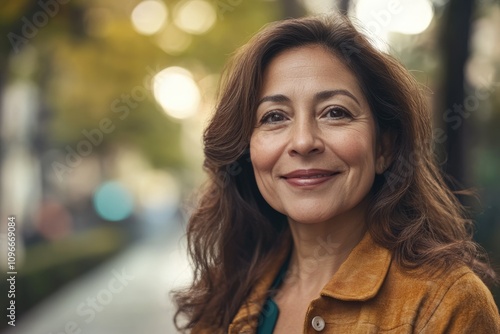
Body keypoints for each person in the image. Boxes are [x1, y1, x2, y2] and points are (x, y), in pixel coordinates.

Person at [173, 14, 500, 333]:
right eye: (274, 117)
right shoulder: (226, 295)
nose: (303, 142)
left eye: (335, 112)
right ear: (246, 151)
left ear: (384, 148)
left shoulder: (447, 305)